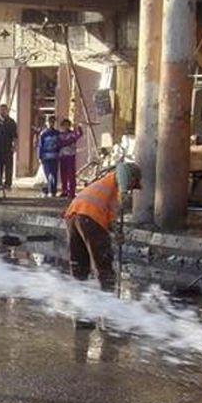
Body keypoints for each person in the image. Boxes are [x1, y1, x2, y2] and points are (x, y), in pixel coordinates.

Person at [64, 161, 141, 291]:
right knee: (103, 263)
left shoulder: (106, 183)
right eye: (133, 185)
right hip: (90, 216)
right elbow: (122, 170)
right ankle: (108, 297)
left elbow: (110, 218)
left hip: (72, 216)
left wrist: (116, 232)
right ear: (131, 178)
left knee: (79, 263)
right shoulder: (118, 181)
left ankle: (78, 296)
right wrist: (117, 232)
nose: (131, 190)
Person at [0, 104, 17, 190]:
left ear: (7, 111)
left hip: (8, 149)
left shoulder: (11, 122)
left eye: (4, 110)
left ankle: (7, 183)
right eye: (1, 110)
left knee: (8, 167)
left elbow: (14, 136)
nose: (2, 112)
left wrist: (14, 146)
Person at [57, 118, 83, 198]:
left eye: (67, 125)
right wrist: (67, 142)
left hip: (71, 156)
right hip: (62, 156)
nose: (65, 127)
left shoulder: (72, 133)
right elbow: (59, 143)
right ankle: (64, 190)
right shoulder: (60, 135)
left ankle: (71, 191)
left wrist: (78, 127)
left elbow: (79, 134)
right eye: (64, 125)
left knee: (71, 174)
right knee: (63, 174)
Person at [37, 115, 60, 197]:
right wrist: (39, 156)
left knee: (54, 174)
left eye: (53, 122)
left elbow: (59, 144)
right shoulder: (43, 134)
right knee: (48, 174)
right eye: (50, 121)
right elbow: (40, 145)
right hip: (45, 157)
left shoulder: (57, 133)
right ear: (47, 122)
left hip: (55, 156)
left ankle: (53, 191)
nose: (51, 123)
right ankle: (49, 190)